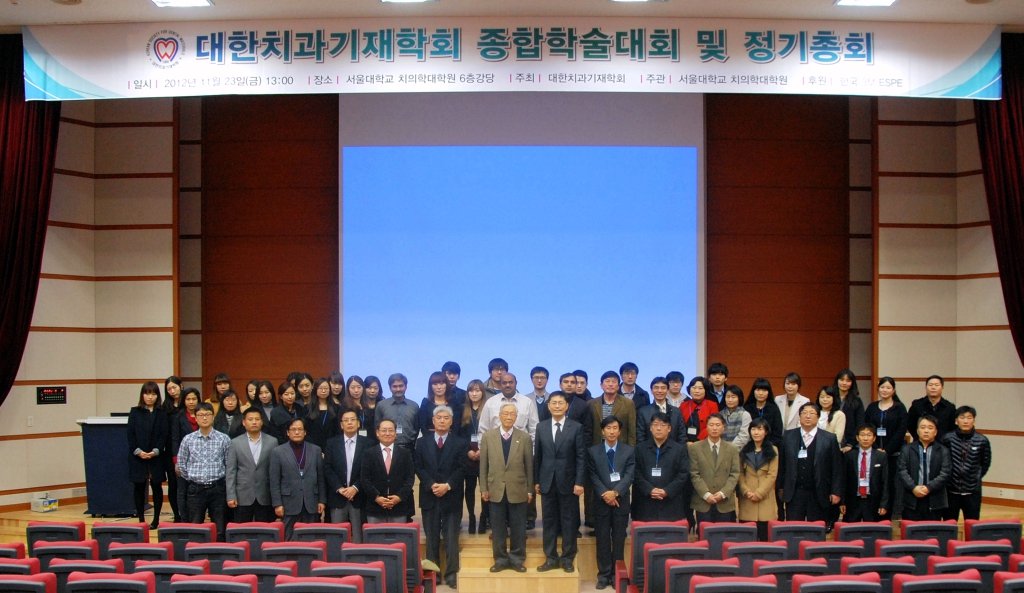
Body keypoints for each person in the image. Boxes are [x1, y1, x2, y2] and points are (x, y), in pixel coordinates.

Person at [414, 406, 468, 589]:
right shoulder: (421, 442)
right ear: (433, 420)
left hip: (451, 495)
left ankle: (451, 575)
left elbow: (462, 468)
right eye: (439, 417)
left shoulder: (460, 443)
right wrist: (431, 484)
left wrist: (447, 485)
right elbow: (418, 467)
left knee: (451, 538)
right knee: (431, 539)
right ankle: (433, 574)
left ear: (451, 421)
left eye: (446, 418)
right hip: (429, 495)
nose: (442, 421)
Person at [533, 392, 586, 573]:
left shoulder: (576, 427)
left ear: (566, 406)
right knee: (549, 522)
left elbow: (581, 457)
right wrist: (537, 480)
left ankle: (567, 558)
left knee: (568, 522)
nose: (557, 406)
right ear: (548, 406)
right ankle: (550, 558)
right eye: (553, 403)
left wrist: (580, 482)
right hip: (547, 481)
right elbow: (538, 457)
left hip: (569, 482)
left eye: (560, 403)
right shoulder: (541, 427)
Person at [479, 403, 534, 573]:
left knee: (518, 527)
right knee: (497, 528)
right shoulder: (488, 436)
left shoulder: (524, 437)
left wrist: (529, 490)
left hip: (518, 488)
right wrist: (483, 489)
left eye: (512, 414)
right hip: (495, 488)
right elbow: (483, 465)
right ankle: (500, 560)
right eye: (505, 414)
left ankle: (517, 560)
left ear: (516, 417)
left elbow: (529, 466)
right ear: (499, 416)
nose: (509, 417)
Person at [589, 416, 635, 590]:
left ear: (620, 431)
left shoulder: (629, 451)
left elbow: (630, 475)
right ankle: (603, 575)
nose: (612, 431)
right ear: (602, 431)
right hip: (601, 502)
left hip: (620, 502)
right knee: (602, 539)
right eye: (608, 428)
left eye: (615, 428)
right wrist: (605, 494)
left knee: (618, 539)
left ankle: (617, 575)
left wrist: (615, 493)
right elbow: (592, 475)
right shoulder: (593, 451)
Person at [778, 403, 844, 522]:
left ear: (818, 417)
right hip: (794, 491)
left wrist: (836, 491)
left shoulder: (829, 438)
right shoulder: (788, 436)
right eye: (804, 413)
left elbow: (837, 467)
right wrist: (781, 487)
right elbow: (782, 464)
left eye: (812, 413)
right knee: (794, 527)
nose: (808, 416)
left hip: (819, 491)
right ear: (799, 417)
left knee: (817, 528)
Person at [177, 402, 231, 540]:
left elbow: (229, 464)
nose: (204, 418)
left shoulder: (223, 439)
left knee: (219, 529)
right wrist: (193, 478)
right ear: (195, 418)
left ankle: (220, 551)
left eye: (207, 414)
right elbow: (181, 464)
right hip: (196, 489)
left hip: (218, 488)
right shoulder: (188, 439)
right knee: (195, 528)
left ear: (213, 417)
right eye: (201, 415)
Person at [269, 417, 326, 539]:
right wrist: (277, 504)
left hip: (311, 501)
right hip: (289, 503)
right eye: (293, 429)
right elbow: (274, 481)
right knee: (289, 538)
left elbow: (321, 477)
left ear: (305, 432)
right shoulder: (278, 452)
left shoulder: (315, 450)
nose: (297, 432)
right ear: (287, 432)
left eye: (300, 429)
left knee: (311, 538)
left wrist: (322, 500)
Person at [633, 412, 691, 522]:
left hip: (671, 502)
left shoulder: (679, 450)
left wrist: (667, 491)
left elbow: (683, 473)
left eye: (663, 425)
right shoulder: (640, 449)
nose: (659, 428)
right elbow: (636, 472)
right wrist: (649, 489)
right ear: (650, 428)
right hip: (646, 503)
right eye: (655, 425)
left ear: (669, 428)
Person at [864, 377, 908, 516]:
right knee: (875, 482)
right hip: (874, 452)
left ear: (893, 390)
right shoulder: (872, 407)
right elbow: (867, 428)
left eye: (888, 387)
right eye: (882, 387)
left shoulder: (900, 408)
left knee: (891, 483)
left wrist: (887, 450)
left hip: (893, 454)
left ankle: (889, 514)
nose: (885, 390)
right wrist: (876, 447)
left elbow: (901, 431)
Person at [226, 407, 279, 523]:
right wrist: (231, 495)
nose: (254, 422)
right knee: (242, 529)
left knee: (265, 529)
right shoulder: (235, 443)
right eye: (250, 419)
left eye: (257, 419)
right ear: (244, 422)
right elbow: (231, 471)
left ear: (262, 422)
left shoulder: (272, 441)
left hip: (265, 494)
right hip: (242, 495)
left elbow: (275, 471)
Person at [127, 381, 168, 529]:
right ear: (142, 395)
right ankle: (141, 520)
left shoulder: (162, 413)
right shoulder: (135, 412)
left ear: (158, 396)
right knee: (139, 487)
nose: (150, 397)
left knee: (156, 486)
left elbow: (164, 434)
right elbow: (130, 434)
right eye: (147, 393)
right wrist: (139, 452)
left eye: (153, 394)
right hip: (138, 456)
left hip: (156, 456)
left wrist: (155, 451)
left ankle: (156, 519)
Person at [324, 409, 369, 542]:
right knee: (338, 537)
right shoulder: (332, 443)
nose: (349, 423)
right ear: (341, 425)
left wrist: (355, 487)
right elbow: (327, 468)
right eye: (346, 420)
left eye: (353, 420)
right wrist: (339, 488)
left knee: (359, 538)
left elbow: (368, 470)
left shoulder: (368, 444)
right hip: (338, 496)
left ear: (358, 423)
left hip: (358, 497)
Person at [941, 405, 991, 521]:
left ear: (974, 421)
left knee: (972, 525)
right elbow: (942, 462)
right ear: (956, 421)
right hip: (951, 490)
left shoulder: (982, 440)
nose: (966, 421)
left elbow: (985, 463)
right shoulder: (947, 438)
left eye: (969, 418)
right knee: (949, 524)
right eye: (962, 417)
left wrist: (975, 477)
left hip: (972, 491)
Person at [689, 413, 741, 525]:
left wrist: (723, 493)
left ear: (723, 427)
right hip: (703, 502)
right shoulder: (695, 447)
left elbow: (735, 474)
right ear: (706, 427)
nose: (714, 428)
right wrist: (706, 494)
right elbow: (694, 473)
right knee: (704, 534)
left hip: (725, 502)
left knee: (723, 533)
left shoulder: (732, 449)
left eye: (718, 425)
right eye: (711, 425)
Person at [361, 419, 416, 523]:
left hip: (399, 507)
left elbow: (410, 479)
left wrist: (399, 497)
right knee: (375, 534)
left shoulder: (405, 453)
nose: (387, 433)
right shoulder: (369, 454)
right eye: (384, 430)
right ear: (377, 433)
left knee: (398, 534)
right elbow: (365, 479)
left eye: (391, 430)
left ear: (395, 433)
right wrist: (377, 497)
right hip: (375, 508)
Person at [898, 415, 951, 521]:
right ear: (917, 431)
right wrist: (913, 487)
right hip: (912, 498)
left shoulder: (943, 450)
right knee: (910, 529)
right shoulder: (907, 449)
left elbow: (945, 473)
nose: (926, 431)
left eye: (930, 428)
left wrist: (928, 488)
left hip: (935, 500)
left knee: (932, 529)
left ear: (935, 432)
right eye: (923, 427)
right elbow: (902, 470)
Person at [738, 418, 778, 541]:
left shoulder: (773, 450)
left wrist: (759, 493)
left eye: (760, 429)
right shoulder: (744, 449)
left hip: (765, 499)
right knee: (747, 540)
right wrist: (746, 491)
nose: (756, 432)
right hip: (748, 499)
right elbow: (740, 473)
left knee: (766, 539)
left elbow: (772, 475)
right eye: (753, 429)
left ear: (766, 432)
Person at [839, 424, 889, 523]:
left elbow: (885, 481)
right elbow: (844, 480)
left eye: (869, 435)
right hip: (853, 500)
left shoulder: (881, 456)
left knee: (871, 529)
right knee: (850, 529)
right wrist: (842, 502)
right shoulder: (849, 455)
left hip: (873, 500)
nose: (865, 438)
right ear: (857, 437)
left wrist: (884, 504)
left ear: (874, 438)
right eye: (862, 435)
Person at [459, 379, 491, 534]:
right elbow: (458, 435)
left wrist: (482, 450)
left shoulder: (488, 409)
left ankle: (484, 518)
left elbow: (492, 432)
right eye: (471, 390)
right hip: (468, 455)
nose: (474, 393)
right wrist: (468, 451)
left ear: (482, 392)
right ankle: (471, 517)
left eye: (477, 390)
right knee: (469, 488)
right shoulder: (462, 410)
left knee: (485, 488)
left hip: (485, 454)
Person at [478, 372, 539, 442]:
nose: (508, 385)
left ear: (516, 383)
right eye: (504, 383)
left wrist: (531, 447)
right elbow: (483, 429)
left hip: (521, 445)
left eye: (511, 382)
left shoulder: (527, 402)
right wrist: (482, 447)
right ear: (500, 384)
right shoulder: (491, 403)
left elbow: (534, 429)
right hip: (495, 445)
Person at [172, 388, 201, 524]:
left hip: (200, 460)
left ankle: (196, 519)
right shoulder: (178, 417)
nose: (191, 402)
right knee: (182, 491)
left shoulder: (203, 416)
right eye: (188, 399)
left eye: (194, 399)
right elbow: (175, 440)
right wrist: (176, 461)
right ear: (184, 401)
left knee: (197, 492)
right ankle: (184, 520)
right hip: (183, 459)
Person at [588, 371, 637, 447]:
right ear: (601, 385)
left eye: (614, 382)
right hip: (598, 447)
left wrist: (631, 449)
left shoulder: (628, 403)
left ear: (618, 386)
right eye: (607, 381)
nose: (610, 384)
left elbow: (632, 430)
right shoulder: (591, 404)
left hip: (621, 447)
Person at [375, 373, 420, 453]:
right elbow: (377, 426)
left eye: (401, 386)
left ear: (406, 387)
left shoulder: (414, 406)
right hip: (387, 448)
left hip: (409, 448)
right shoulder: (381, 405)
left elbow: (416, 428)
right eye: (395, 386)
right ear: (390, 388)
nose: (398, 389)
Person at [637, 377, 686, 445]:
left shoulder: (676, 411)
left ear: (668, 391)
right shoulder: (643, 411)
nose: (659, 391)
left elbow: (681, 435)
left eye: (663, 388)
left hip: (673, 449)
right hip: (649, 449)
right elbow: (640, 435)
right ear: (651, 391)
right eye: (656, 388)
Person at [907, 376, 957, 442]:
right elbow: (910, 424)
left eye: (936, 385)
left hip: (943, 444)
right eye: (930, 385)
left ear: (942, 388)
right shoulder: (917, 405)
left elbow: (953, 428)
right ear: (926, 388)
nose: (933, 387)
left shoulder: (949, 407)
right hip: (920, 443)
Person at [163, 376, 184, 522]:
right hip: (170, 449)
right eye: (169, 389)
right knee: (173, 482)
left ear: (181, 386)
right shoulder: (165, 407)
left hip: (188, 447)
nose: (172, 391)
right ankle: (176, 514)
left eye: (174, 387)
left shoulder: (187, 403)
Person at [743, 379, 784, 451]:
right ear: (753, 391)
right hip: (749, 447)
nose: (760, 393)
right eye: (758, 390)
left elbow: (777, 433)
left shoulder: (774, 409)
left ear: (768, 392)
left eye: (764, 390)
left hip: (770, 448)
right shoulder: (747, 408)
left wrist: (766, 447)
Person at [420, 372, 461, 438]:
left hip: (451, 439)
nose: (439, 387)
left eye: (442, 384)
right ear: (431, 386)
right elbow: (423, 425)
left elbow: (457, 426)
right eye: (435, 384)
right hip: (429, 439)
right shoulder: (426, 403)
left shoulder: (455, 403)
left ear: (447, 385)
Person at [834, 369, 865, 453]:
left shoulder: (857, 401)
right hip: (831, 443)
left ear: (852, 383)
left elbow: (860, 423)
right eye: (842, 380)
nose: (844, 383)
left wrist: (851, 444)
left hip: (850, 445)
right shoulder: (830, 398)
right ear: (837, 380)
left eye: (848, 381)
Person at [680, 376, 719, 442]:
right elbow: (680, 426)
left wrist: (699, 441)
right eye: (694, 388)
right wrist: (686, 441)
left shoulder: (712, 405)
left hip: (705, 441)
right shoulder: (683, 405)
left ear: (706, 390)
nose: (697, 391)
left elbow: (713, 425)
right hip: (685, 442)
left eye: (700, 388)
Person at [305, 378, 339, 449]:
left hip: (331, 447)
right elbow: (306, 431)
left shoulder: (336, 408)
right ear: (315, 389)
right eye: (320, 388)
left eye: (326, 388)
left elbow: (337, 431)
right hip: (312, 447)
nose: (323, 391)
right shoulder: (307, 408)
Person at [720, 385, 751, 450]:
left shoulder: (745, 414)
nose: (730, 400)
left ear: (739, 398)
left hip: (739, 450)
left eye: (733, 397)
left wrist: (730, 449)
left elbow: (744, 436)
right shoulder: (720, 414)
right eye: (728, 397)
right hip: (721, 450)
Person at [362, 376, 384, 445]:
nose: (372, 391)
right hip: (363, 441)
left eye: (375, 388)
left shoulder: (383, 405)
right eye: (369, 388)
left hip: (380, 441)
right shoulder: (360, 405)